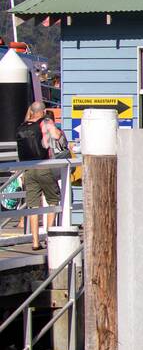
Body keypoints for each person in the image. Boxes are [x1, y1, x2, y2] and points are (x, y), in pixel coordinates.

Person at [15, 101, 67, 250]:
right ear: (43, 111)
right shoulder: (45, 122)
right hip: (43, 167)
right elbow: (57, 136)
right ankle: (50, 238)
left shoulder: (23, 126)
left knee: (32, 205)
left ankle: (35, 242)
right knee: (53, 200)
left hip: (28, 170)